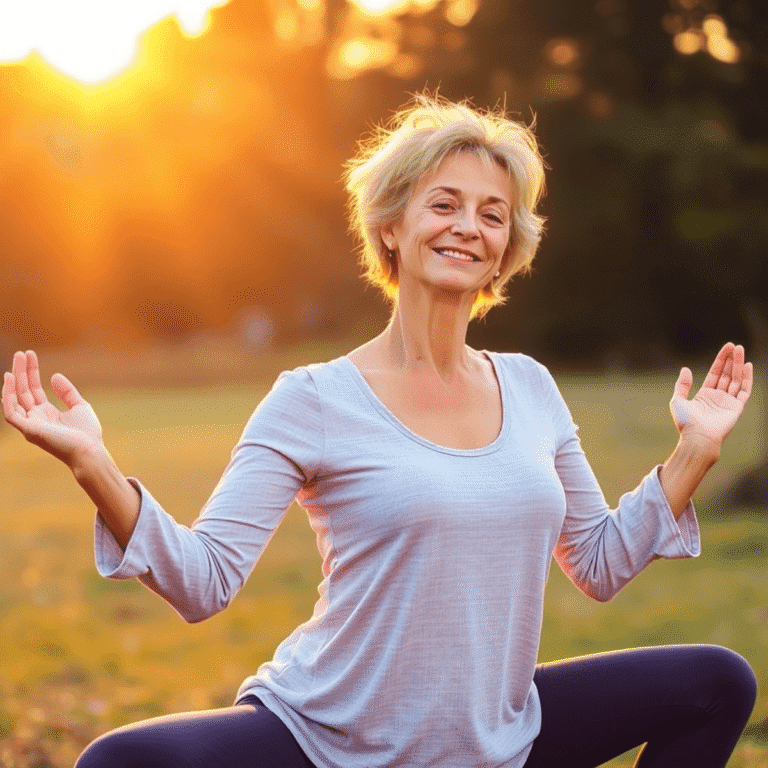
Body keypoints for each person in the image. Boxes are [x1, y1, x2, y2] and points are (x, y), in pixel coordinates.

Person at [2, 94, 757, 768]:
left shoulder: (530, 386)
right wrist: (93, 464)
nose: (469, 227)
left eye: (493, 214)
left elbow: (597, 564)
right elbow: (204, 581)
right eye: (445, 204)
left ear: (508, 247)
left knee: (717, 683)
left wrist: (694, 450)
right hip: (326, 741)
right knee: (122, 763)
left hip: (494, 740)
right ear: (391, 226)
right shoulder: (314, 397)